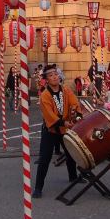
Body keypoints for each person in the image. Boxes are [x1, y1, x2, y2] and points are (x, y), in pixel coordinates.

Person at [33, 64, 81, 198]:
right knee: (45, 158)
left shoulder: (66, 90)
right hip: (51, 129)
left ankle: (73, 177)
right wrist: (64, 122)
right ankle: (38, 187)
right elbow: (49, 115)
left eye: (55, 74)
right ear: (46, 80)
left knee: (71, 152)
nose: (54, 77)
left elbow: (75, 103)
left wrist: (77, 115)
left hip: (65, 128)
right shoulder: (45, 95)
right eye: (50, 75)